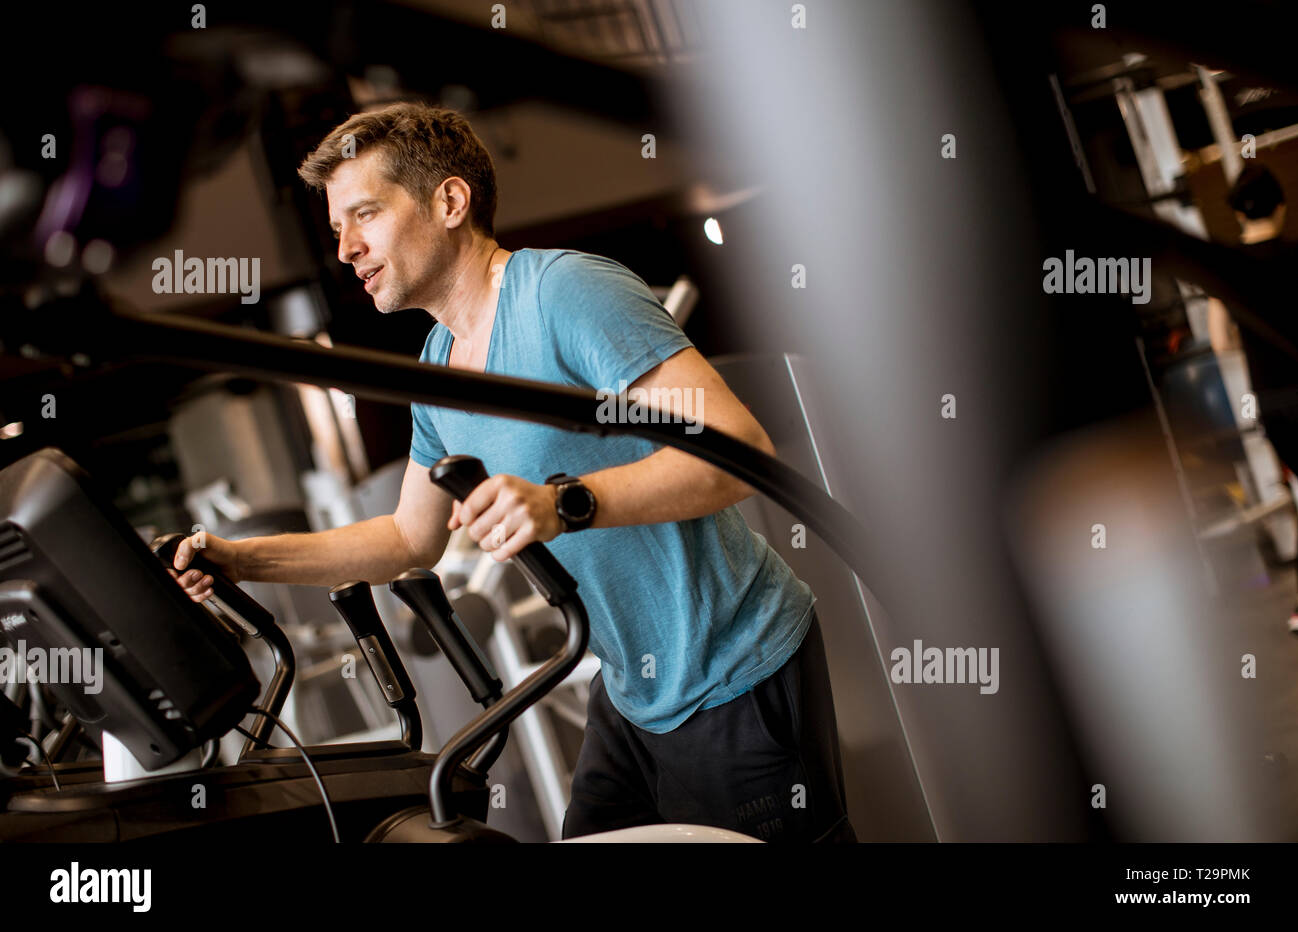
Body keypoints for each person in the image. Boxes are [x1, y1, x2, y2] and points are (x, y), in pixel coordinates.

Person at [170, 102, 857, 842]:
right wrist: (240, 560)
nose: (347, 249)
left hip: (733, 672)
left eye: (364, 215)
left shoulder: (565, 292)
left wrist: (566, 503)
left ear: (450, 201)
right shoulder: (440, 366)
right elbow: (407, 539)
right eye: (338, 227)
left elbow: (737, 447)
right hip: (633, 693)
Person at [1215, 163, 1298, 633]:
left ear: (1239, 216)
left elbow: (1221, 341)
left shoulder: (1224, 266)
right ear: (1281, 206)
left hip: (1270, 403)